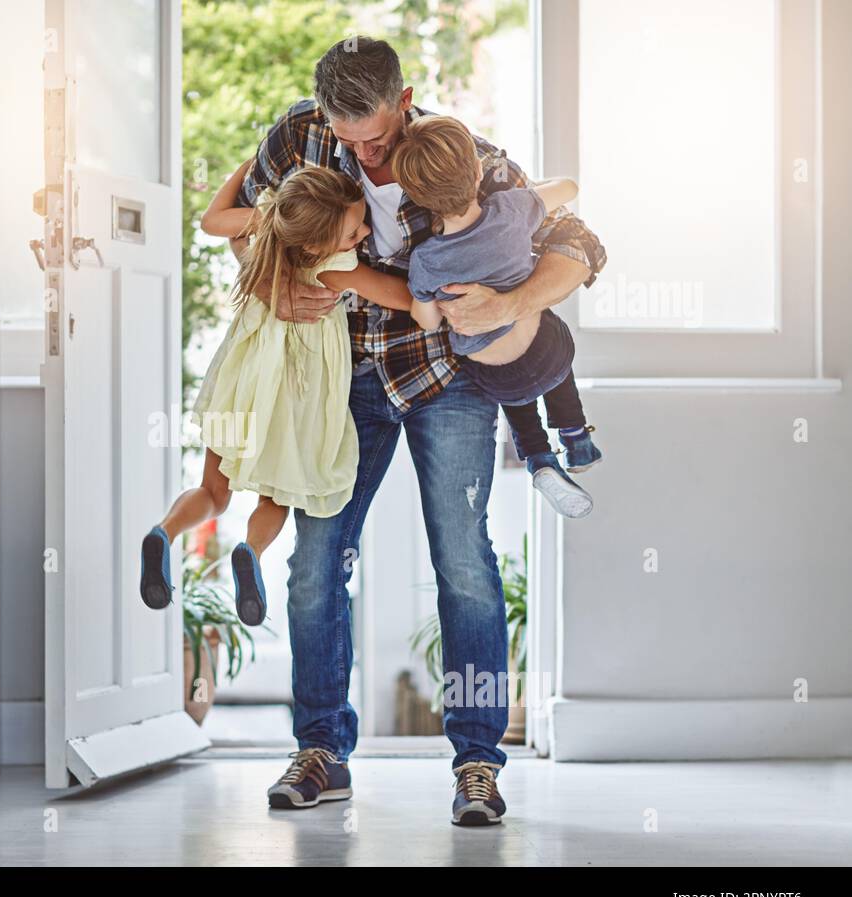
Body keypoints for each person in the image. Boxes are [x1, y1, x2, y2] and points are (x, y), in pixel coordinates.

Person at [207, 37, 606, 824]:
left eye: (377, 138)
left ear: (406, 98)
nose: (364, 154)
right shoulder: (298, 135)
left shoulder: (465, 158)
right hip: (338, 378)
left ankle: (478, 763)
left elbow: (582, 245)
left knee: (463, 560)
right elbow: (243, 226)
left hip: (445, 379)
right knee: (316, 559)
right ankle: (321, 748)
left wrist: (510, 304)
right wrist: (277, 276)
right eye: (347, 139)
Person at [139, 164, 413, 640]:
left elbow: (211, 220)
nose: (365, 232)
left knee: (213, 491)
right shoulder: (336, 267)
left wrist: (246, 169)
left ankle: (164, 532)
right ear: (315, 245)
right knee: (276, 496)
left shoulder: (266, 228)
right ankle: (250, 551)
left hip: (239, 387)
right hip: (292, 402)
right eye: (355, 230)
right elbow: (401, 295)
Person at [395, 114, 603, 518]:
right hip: (546, 355)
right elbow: (569, 188)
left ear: (418, 199)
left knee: (508, 383)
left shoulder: (426, 260)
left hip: (496, 379)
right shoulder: (511, 209)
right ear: (477, 172)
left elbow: (427, 322)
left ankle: (539, 457)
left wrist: (431, 299)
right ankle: (576, 436)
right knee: (549, 337)